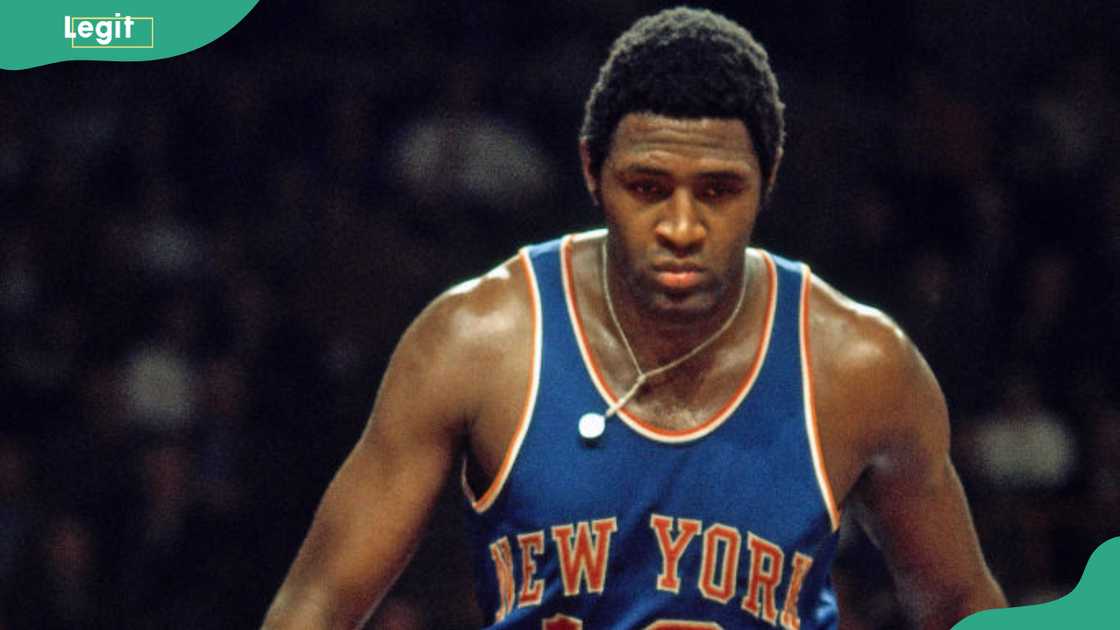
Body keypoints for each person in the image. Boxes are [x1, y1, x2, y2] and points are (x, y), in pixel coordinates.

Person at [262, 7, 1006, 629]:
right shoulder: (477, 342)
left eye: (718, 191)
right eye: (647, 186)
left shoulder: (860, 365)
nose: (681, 226)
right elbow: (321, 600)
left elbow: (961, 600)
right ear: (592, 172)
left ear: (767, 184)